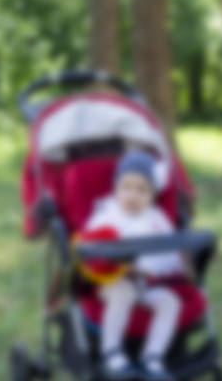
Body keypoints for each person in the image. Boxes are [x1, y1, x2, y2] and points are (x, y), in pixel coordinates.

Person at [86, 150, 187, 381]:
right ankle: (111, 350)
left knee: (170, 302)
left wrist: (151, 267)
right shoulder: (107, 214)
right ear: (116, 187)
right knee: (124, 292)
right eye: (127, 187)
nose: (133, 195)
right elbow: (90, 246)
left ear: (152, 194)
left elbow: (170, 254)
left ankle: (153, 356)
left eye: (142, 189)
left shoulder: (157, 219)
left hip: (146, 282)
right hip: (112, 281)